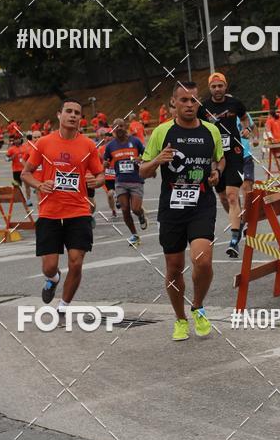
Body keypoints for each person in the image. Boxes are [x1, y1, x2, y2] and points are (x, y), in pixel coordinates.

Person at [140, 80, 224, 341]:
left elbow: (220, 159)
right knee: (174, 267)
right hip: (172, 208)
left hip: (201, 204)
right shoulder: (161, 132)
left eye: (194, 100)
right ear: (174, 103)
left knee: (203, 260)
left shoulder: (211, 130)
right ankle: (180, 318)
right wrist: (157, 160)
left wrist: (217, 172)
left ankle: (198, 306)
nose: (189, 105)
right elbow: (143, 171)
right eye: (184, 100)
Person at [20, 100, 104, 315]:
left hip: (79, 211)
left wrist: (97, 181)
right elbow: (26, 173)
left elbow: (100, 174)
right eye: (69, 111)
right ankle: (53, 278)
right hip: (50, 213)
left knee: (76, 263)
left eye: (77, 113)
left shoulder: (88, 145)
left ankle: (64, 306)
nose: (73, 115)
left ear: (81, 118)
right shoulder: (44, 143)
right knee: (49, 266)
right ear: (59, 115)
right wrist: (40, 185)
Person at [197, 72, 250, 258]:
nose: (217, 89)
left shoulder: (235, 103)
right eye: (214, 86)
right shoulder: (203, 108)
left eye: (220, 86)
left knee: (232, 195)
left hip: (234, 153)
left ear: (225, 86)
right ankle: (239, 222)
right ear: (209, 88)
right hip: (214, 157)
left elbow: (245, 118)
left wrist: (246, 128)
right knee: (223, 198)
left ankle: (234, 240)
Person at [104, 118, 147, 245]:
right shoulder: (110, 146)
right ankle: (134, 234)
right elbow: (105, 161)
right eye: (116, 126)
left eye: (121, 126)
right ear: (113, 129)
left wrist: (140, 159)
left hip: (136, 180)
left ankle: (141, 215)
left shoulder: (135, 141)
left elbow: (147, 155)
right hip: (120, 182)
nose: (119, 128)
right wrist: (105, 164)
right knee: (125, 209)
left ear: (126, 127)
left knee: (135, 209)